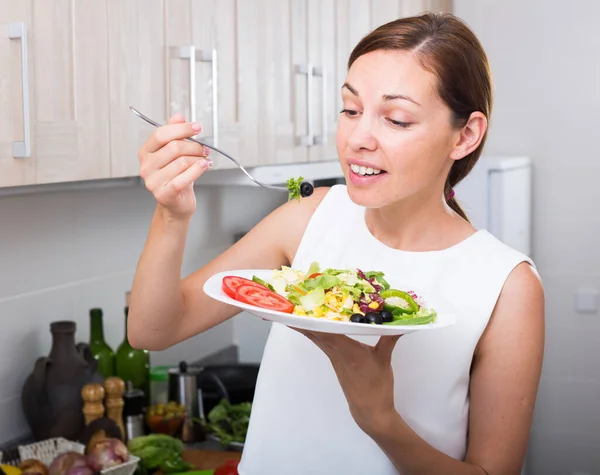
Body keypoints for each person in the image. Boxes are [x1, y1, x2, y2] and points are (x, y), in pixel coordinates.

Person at [129, 12, 544, 475]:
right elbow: (153, 331)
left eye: (397, 119)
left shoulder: (506, 285)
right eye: (350, 110)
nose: (356, 139)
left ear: (465, 135)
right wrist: (172, 214)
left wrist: (380, 420)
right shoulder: (310, 218)